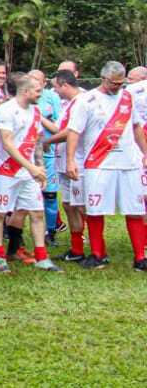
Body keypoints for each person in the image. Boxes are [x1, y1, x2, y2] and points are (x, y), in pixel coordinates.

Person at [61, 61, 147, 270]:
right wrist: (71, 160)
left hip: (128, 163)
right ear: (103, 79)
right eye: (113, 83)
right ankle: (98, 254)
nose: (117, 87)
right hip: (98, 163)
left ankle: (140, 257)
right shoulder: (86, 100)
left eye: (121, 83)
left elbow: (136, 127)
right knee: (95, 209)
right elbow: (74, 132)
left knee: (135, 209)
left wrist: (145, 152)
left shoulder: (128, 98)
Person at [0, 74, 61, 272]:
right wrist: (32, 168)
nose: (41, 94)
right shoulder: (7, 110)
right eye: (38, 91)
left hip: (28, 172)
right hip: (6, 170)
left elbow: (37, 141)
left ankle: (42, 256)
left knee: (36, 212)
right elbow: (8, 143)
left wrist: (39, 168)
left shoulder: (36, 111)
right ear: (26, 91)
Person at [44, 68, 87, 262]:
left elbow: (71, 131)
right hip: (63, 162)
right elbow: (62, 128)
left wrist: (47, 141)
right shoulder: (69, 104)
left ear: (65, 85)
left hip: (77, 162)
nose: (55, 92)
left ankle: (95, 249)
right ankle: (76, 248)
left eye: (56, 88)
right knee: (69, 205)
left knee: (81, 206)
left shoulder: (81, 102)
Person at [30, 67, 64, 243]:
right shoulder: (22, 97)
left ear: (44, 82)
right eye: (31, 79)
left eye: (38, 79)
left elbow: (59, 127)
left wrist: (41, 118)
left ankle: (51, 232)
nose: (34, 82)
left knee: (49, 194)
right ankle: (13, 232)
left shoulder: (52, 97)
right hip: (27, 154)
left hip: (48, 153)